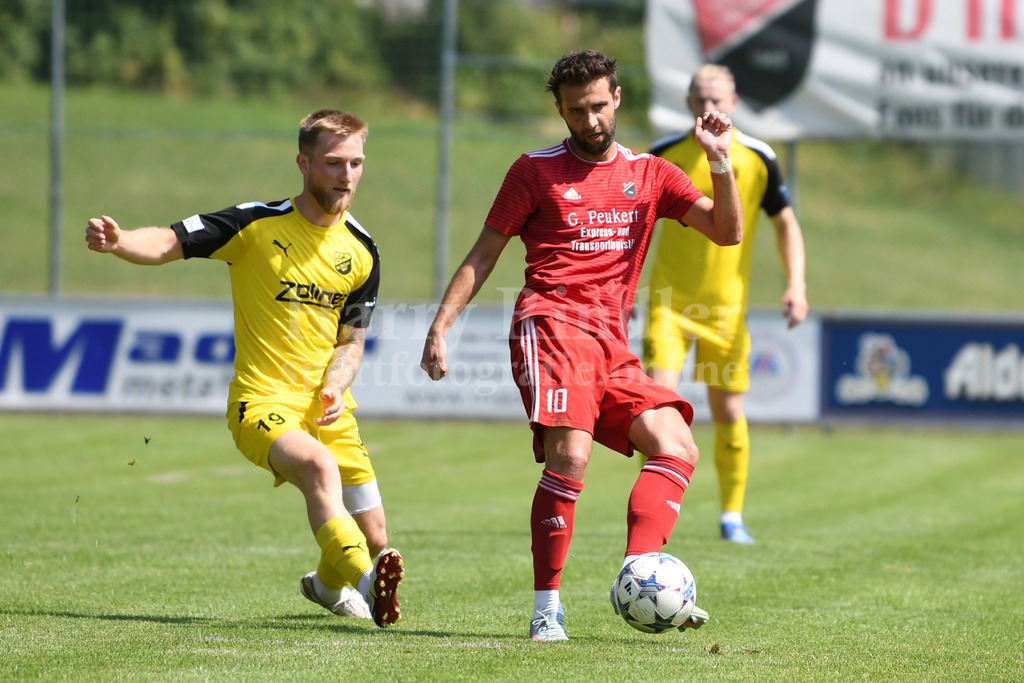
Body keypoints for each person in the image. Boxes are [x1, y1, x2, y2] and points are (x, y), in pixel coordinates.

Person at [420, 50, 742, 642]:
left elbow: (728, 232)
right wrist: (442, 325)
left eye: (598, 106)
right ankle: (548, 608)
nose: (591, 121)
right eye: (576, 111)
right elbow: (484, 253)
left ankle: (638, 572)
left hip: (611, 339)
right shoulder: (533, 171)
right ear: (560, 111)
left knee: (677, 445)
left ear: (617, 97)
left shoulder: (653, 173)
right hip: (551, 324)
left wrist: (719, 163)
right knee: (570, 456)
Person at [85, 109, 404, 628]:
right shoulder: (255, 224)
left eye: (356, 163)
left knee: (374, 536)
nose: (346, 176)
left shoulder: (363, 249)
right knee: (319, 471)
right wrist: (119, 241)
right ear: (303, 163)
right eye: (332, 163)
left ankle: (326, 587)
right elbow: (169, 242)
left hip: (327, 408)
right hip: (262, 403)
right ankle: (372, 590)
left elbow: (352, 340)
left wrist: (335, 384)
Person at [643, 64, 808, 546]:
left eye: (716, 99)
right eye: (699, 99)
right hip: (668, 307)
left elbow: (785, 224)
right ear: (687, 103)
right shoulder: (663, 154)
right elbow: (635, 223)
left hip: (726, 313)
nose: (707, 108)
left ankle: (732, 516)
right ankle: (655, 517)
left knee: (729, 412)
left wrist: (795, 283)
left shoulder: (758, 156)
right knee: (658, 410)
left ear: (733, 102)